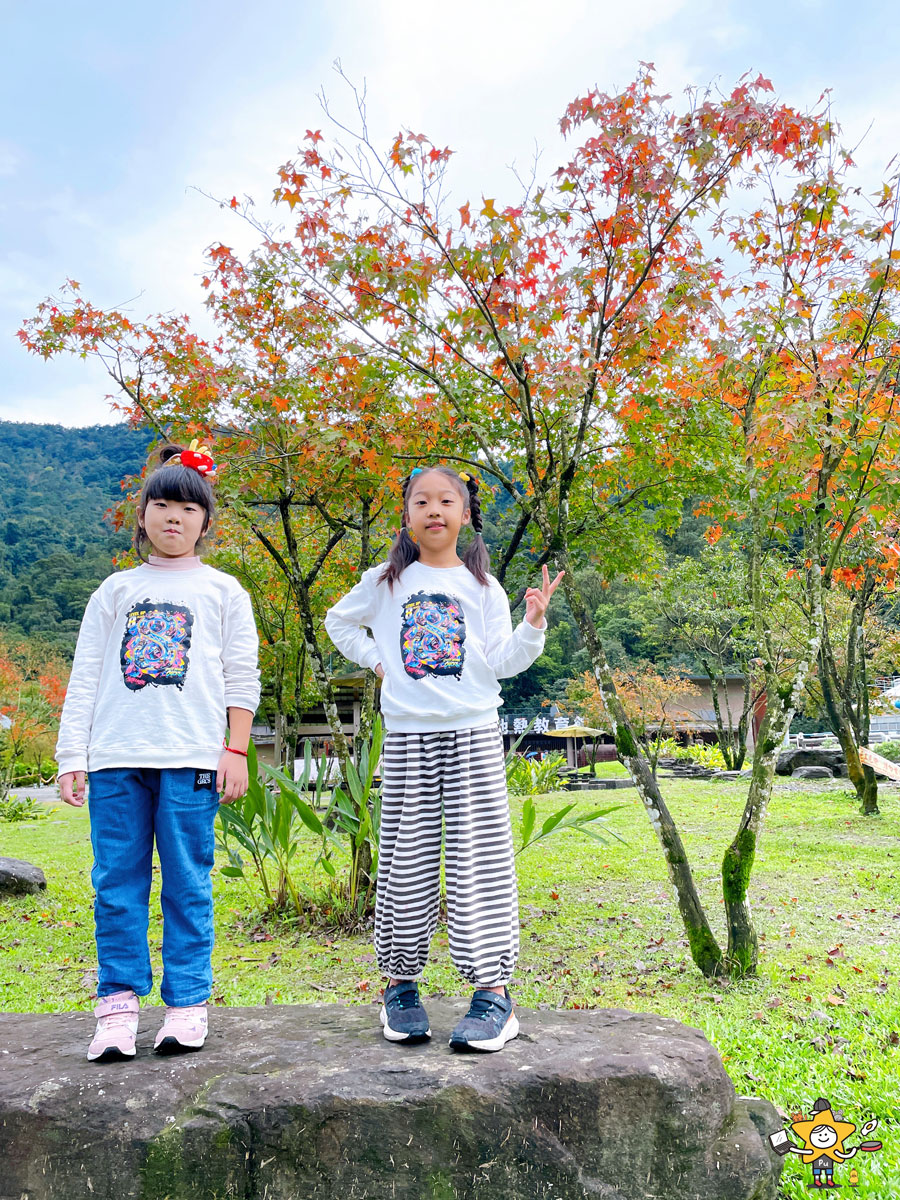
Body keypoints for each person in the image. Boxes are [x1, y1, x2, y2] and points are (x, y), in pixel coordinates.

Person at [325, 466, 562, 1052]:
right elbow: (338, 621)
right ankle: (400, 986)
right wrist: (380, 661)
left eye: (446, 501)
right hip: (406, 736)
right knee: (406, 858)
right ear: (406, 516)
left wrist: (532, 624)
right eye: (421, 501)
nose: (434, 510)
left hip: (473, 733)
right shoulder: (383, 582)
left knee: (478, 859)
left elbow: (503, 659)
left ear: (465, 514)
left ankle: (493, 994)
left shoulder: (483, 587)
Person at [55, 442, 260, 1062]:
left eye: (188, 509)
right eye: (162, 505)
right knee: (115, 882)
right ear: (141, 515)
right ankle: (117, 1007)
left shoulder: (224, 591)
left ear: (206, 520)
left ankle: (187, 1004)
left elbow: (242, 676)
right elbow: (86, 674)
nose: (175, 517)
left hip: (194, 758)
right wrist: (72, 756)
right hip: (116, 757)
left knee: (187, 883)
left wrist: (236, 750)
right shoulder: (114, 591)